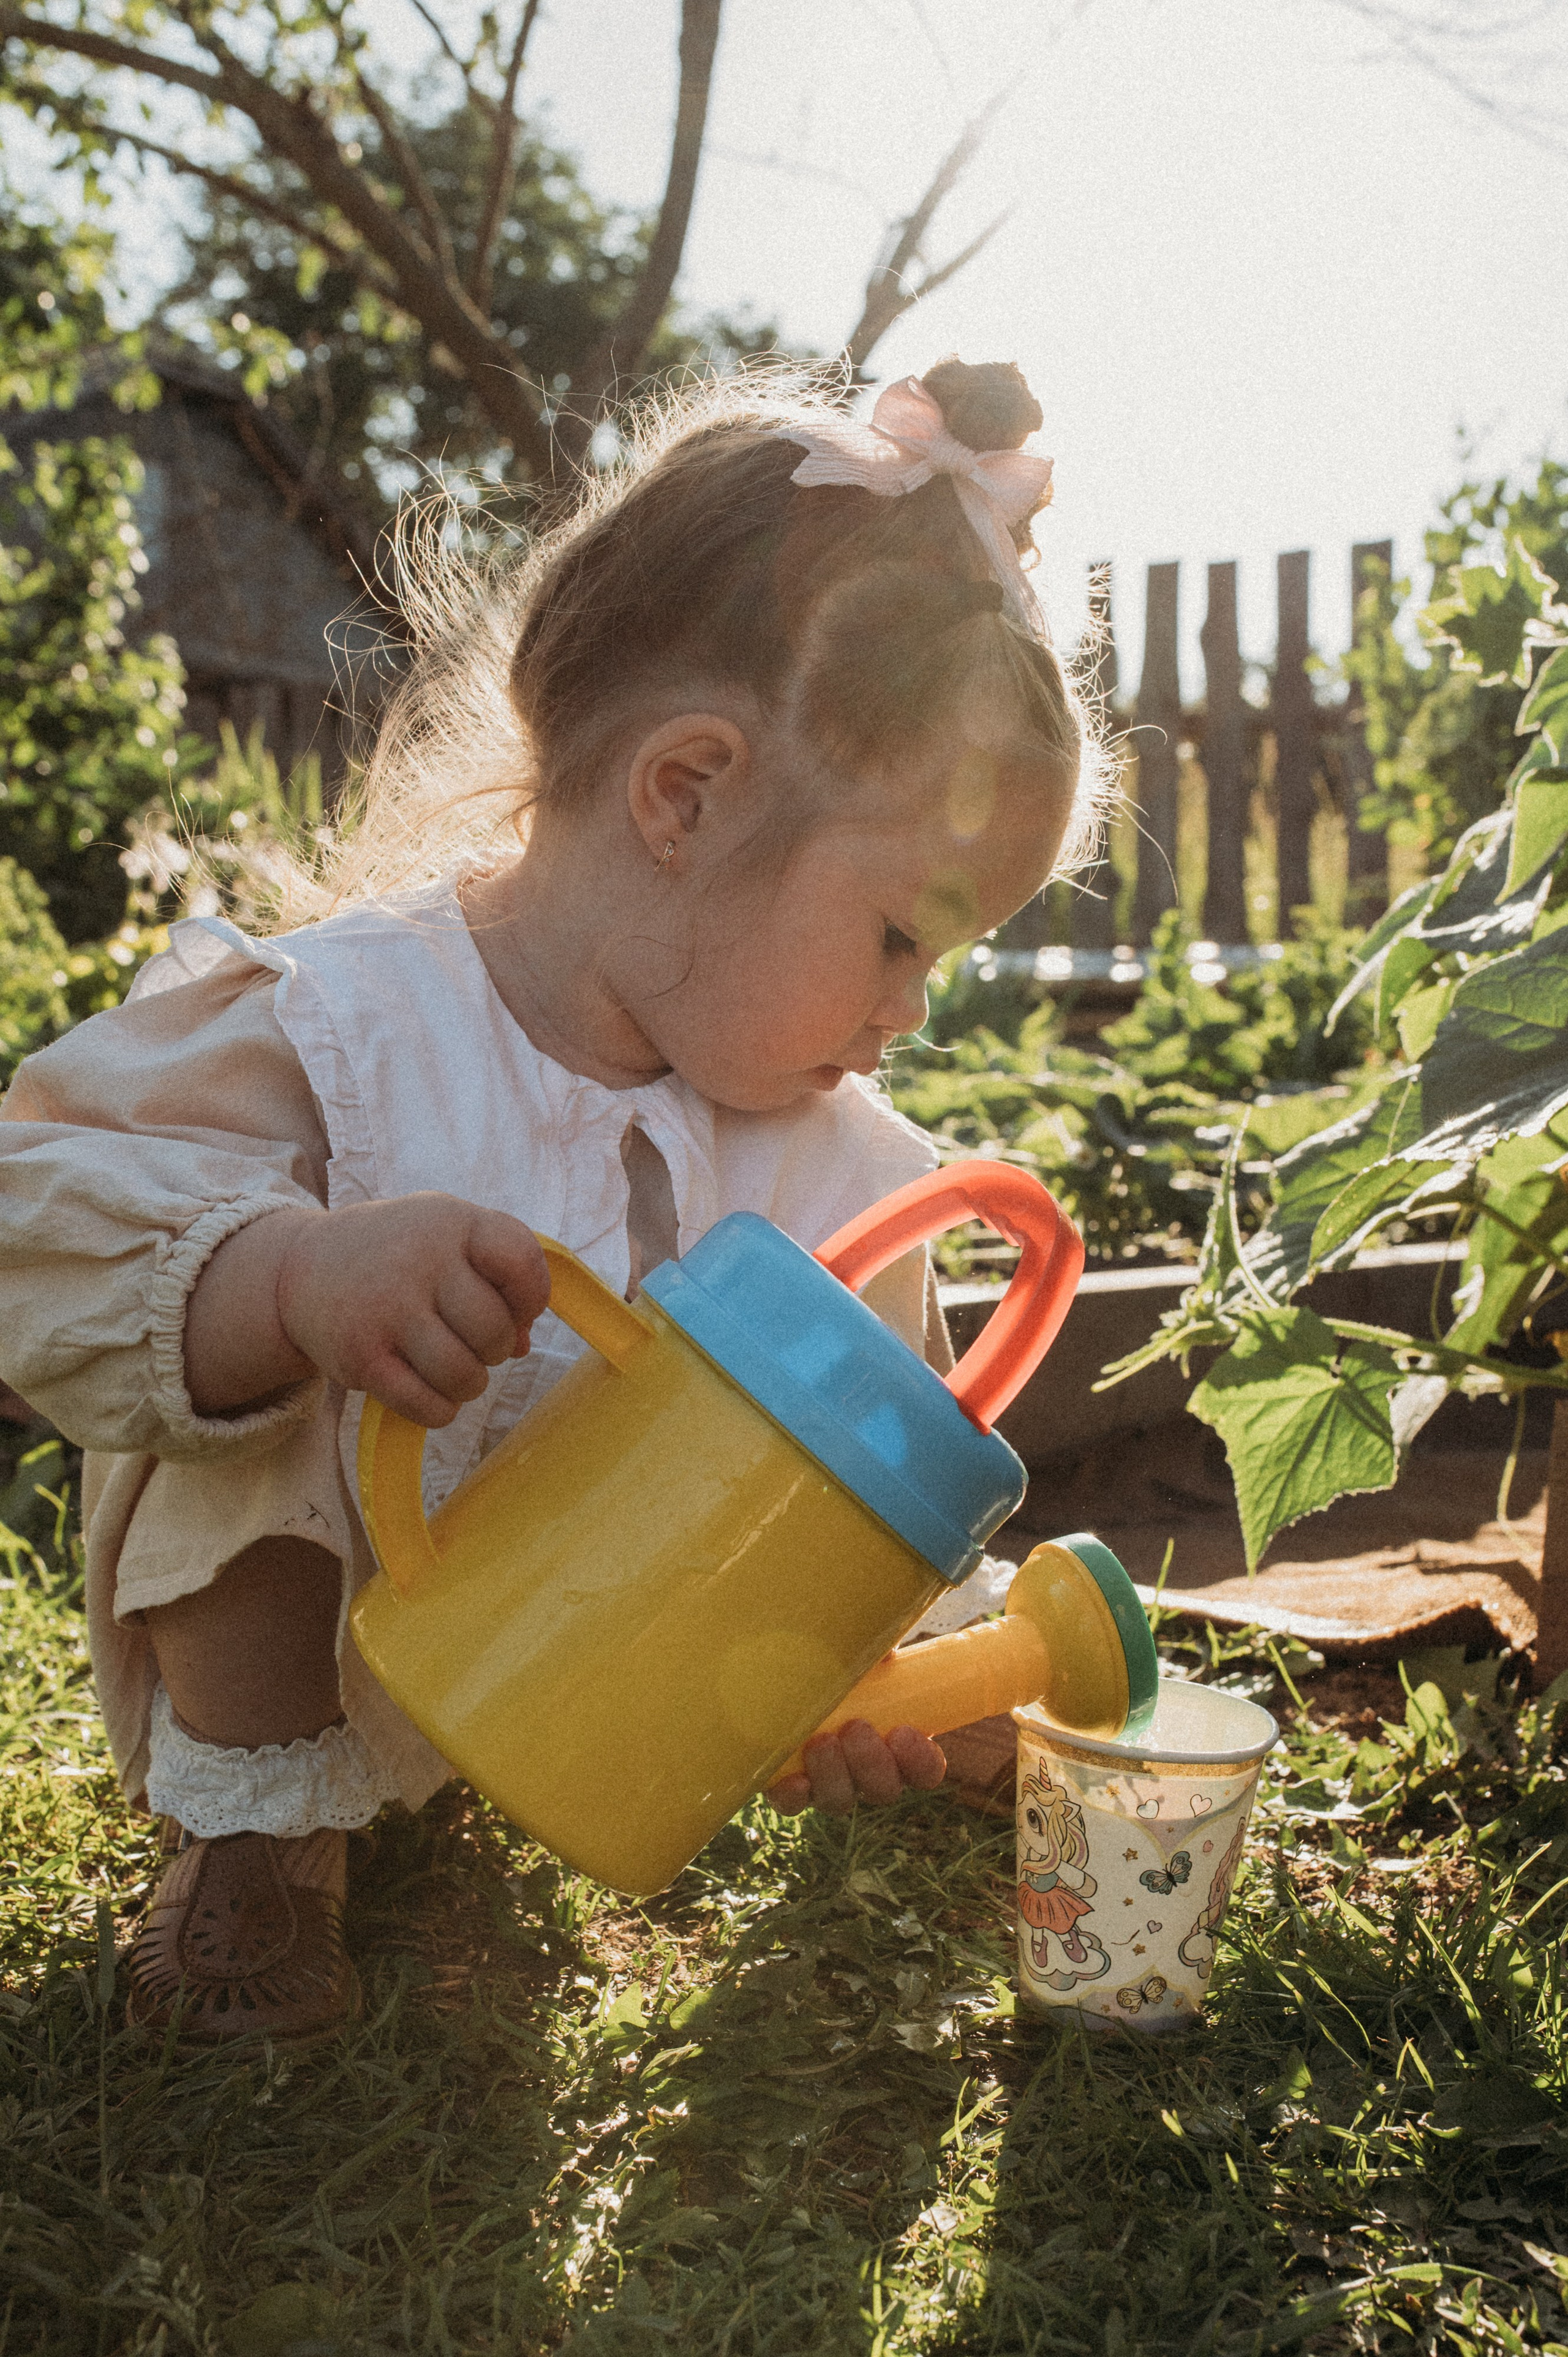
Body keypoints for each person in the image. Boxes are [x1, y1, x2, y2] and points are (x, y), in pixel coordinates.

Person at [0, 356, 1107, 2044]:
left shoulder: (841, 1174)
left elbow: (870, 1492)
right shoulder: (347, 1031)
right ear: (687, 791)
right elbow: (42, 1229)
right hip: (324, 1655)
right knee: (261, 1342)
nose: (917, 1007)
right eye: (902, 934)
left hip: (586, 1672)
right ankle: (257, 1842)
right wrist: (290, 1276)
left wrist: (890, 1684)